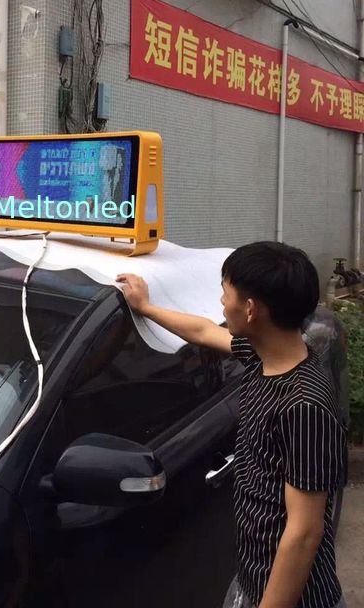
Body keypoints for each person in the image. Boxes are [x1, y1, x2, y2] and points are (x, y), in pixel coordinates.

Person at [117, 241, 347, 608]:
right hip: (252, 579)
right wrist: (145, 306)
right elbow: (204, 331)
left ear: (251, 309)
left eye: (226, 294)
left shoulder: (304, 406)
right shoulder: (264, 354)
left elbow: (304, 532)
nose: (222, 303)